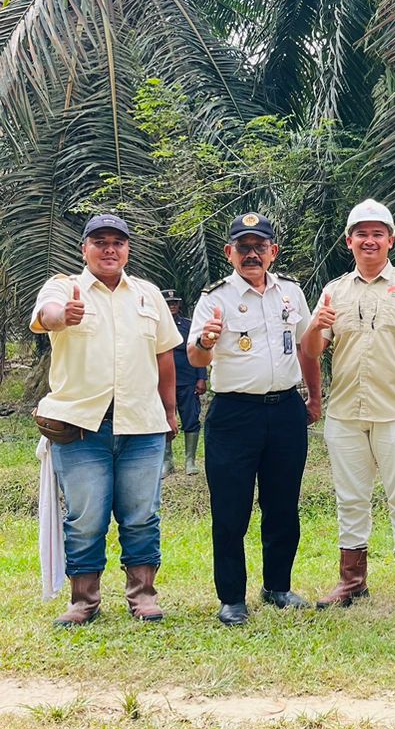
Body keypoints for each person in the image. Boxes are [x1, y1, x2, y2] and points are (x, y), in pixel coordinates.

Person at [31, 214, 179, 625]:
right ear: (85, 249)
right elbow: (47, 314)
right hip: (81, 428)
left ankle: (143, 596)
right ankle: (84, 601)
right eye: (100, 242)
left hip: (143, 425)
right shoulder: (64, 286)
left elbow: (164, 355)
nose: (109, 249)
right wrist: (64, 316)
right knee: (85, 516)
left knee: (142, 514)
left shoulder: (148, 295)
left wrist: (170, 412)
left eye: (118, 242)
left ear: (128, 249)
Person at [300, 200, 395, 618]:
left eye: (378, 233)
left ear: (391, 240)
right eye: (361, 233)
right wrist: (314, 324)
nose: (370, 240)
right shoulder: (334, 291)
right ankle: (352, 579)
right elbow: (311, 351)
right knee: (351, 497)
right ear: (349, 241)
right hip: (345, 412)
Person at [188, 213, 321, 626]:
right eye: (242, 248)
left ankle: (278, 586)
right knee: (231, 509)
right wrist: (207, 342)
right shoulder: (215, 298)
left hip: (285, 411)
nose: (251, 254)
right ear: (229, 253)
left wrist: (314, 397)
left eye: (259, 247)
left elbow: (306, 348)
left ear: (272, 252)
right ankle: (231, 598)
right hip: (234, 414)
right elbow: (196, 356)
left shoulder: (292, 293)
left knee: (283, 505)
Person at [160, 290, 205, 477]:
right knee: (162, 421)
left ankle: (190, 461)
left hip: (187, 380)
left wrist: (201, 377)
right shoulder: (155, 324)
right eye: (168, 303)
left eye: (175, 303)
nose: (172, 306)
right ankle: (167, 462)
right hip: (162, 383)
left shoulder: (188, 325)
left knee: (191, 419)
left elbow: (199, 350)